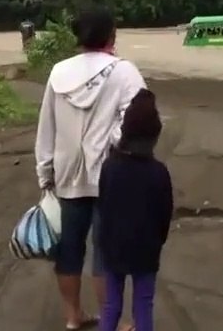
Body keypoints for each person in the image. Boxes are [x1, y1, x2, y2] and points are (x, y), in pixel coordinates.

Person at [35, 6, 147, 330]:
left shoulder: (58, 72)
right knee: (105, 250)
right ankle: (111, 320)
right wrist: (111, 142)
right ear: (111, 35)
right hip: (110, 174)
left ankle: (73, 316)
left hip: (67, 173)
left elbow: (47, 127)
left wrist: (45, 173)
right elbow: (137, 119)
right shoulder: (124, 72)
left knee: (68, 249)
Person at [96, 89, 172, 331]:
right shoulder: (158, 172)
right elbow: (164, 215)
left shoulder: (110, 167)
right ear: (153, 136)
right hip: (146, 248)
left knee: (111, 305)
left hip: (113, 244)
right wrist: (157, 242)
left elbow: (103, 205)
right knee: (143, 305)